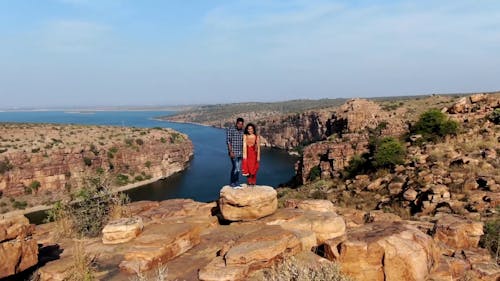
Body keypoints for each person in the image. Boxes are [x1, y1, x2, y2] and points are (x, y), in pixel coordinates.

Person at [226, 117, 244, 188]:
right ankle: (232, 182)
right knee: (235, 167)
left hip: (240, 153)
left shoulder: (242, 131)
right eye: (239, 124)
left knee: (238, 168)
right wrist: (230, 151)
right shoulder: (231, 130)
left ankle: (236, 182)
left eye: (241, 124)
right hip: (233, 152)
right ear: (236, 123)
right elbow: (228, 141)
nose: (240, 125)